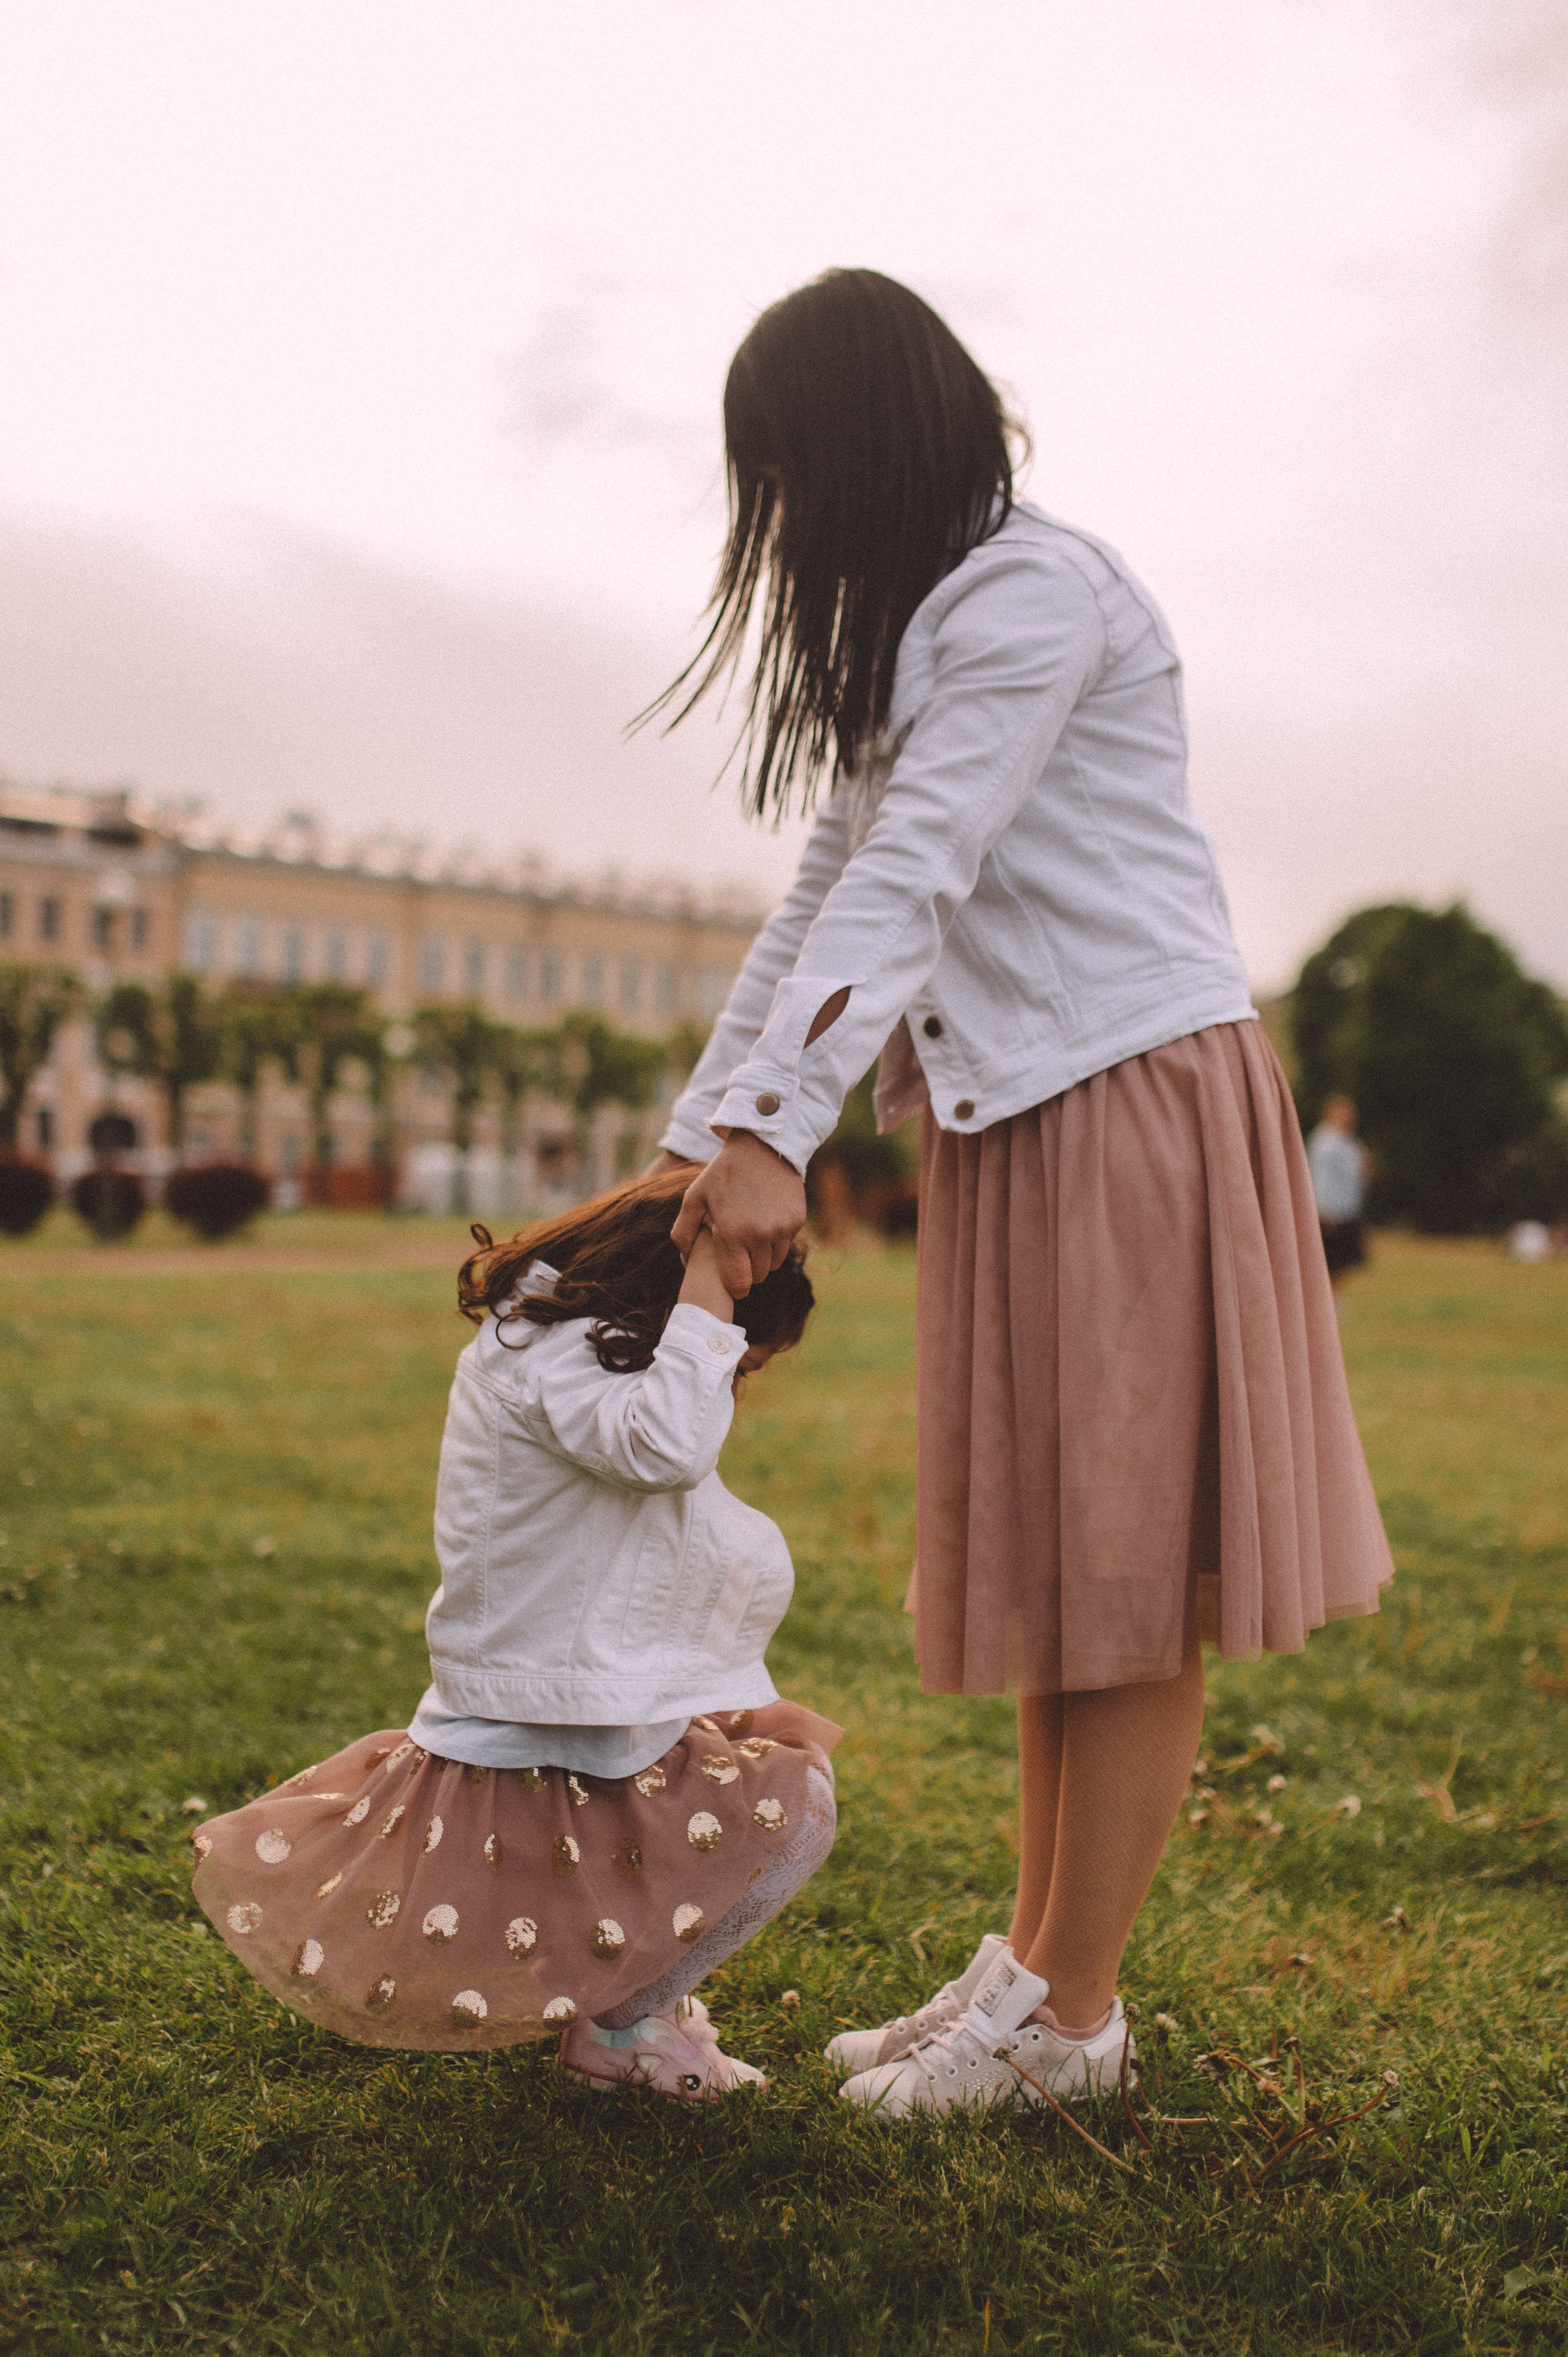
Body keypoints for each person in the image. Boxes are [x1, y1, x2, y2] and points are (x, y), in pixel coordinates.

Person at [647, 268, 1393, 2119]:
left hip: (1128, 1098)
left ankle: (1070, 2011)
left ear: (868, 442)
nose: (787, 521)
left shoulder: (1028, 595)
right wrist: (703, 1133)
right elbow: (821, 898)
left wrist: (780, 1131)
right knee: (1073, 1572)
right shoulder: (922, 633)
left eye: (795, 473)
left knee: (1125, 1577)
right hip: (1017, 1117)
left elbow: (916, 873)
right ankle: (1035, 1971)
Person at [190, 1169, 837, 2101]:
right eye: (739, 1360)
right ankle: (624, 2028)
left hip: (560, 1702)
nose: (729, 1381)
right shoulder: (560, 1357)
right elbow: (664, 1445)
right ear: (673, 1305)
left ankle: (625, 2011)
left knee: (755, 1763)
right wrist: (711, 1282)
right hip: (544, 1726)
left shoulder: (550, 1345)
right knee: (799, 1805)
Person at [1306, 1096, 1369, 1289]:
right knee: (1331, 1260)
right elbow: (1320, 1177)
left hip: (1347, 1210)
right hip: (1332, 1212)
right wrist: (1324, 1208)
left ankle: (1336, 1297)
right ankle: (1329, 1299)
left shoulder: (1346, 1141)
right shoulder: (1325, 1142)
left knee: (1344, 1261)